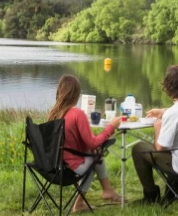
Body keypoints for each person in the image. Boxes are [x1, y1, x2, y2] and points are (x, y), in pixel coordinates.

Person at [131, 65, 178, 205]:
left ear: (168, 87)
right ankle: (171, 194)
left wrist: (157, 128)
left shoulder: (174, 113)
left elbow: (160, 148)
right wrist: (164, 111)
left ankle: (151, 196)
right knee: (177, 145)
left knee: (138, 149)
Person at [47, 75, 123, 213]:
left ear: (59, 91)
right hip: (69, 169)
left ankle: (108, 190)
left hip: (52, 167)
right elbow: (93, 143)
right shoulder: (77, 114)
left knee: (93, 153)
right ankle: (82, 202)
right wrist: (111, 126)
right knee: (96, 156)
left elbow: (69, 142)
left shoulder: (53, 114)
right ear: (77, 94)